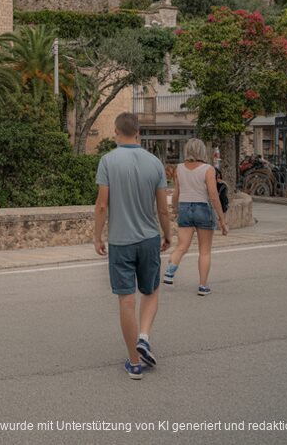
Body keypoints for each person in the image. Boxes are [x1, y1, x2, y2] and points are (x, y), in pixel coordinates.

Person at [93, 113, 171, 380]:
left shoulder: (107, 161)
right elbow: (162, 207)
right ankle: (145, 336)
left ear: (116, 131)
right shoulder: (155, 163)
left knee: (126, 300)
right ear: (138, 132)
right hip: (149, 238)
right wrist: (167, 234)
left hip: (120, 241)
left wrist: (97, 237)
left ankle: (135, 363)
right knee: (151, 291)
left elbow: (102, 204)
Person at [163, 139, 228, 295]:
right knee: (204, 251)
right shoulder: (208, 169)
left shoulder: (179, 168)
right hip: (203, 208)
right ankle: (202, 286)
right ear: (202, 151)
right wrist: (222, 219)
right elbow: (213, 195)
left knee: (181, 246)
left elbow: (176, 193)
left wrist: (176, 209)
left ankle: (170, 273)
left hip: (185, 208)